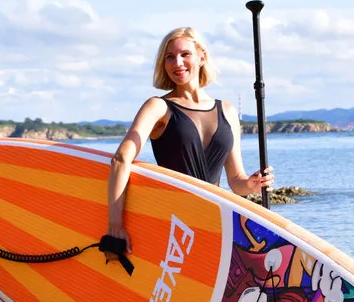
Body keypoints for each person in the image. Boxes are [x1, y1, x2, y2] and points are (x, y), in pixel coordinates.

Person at [106, 26, 274, 257]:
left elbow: (235, 181)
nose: (177, 63)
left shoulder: (227, 111)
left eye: (185, 54)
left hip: (215, 222)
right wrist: (115, 225)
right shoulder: (159, 107)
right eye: (169, 57)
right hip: (175, 223)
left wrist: (253, 184)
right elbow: (121, 159)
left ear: (202, 56)